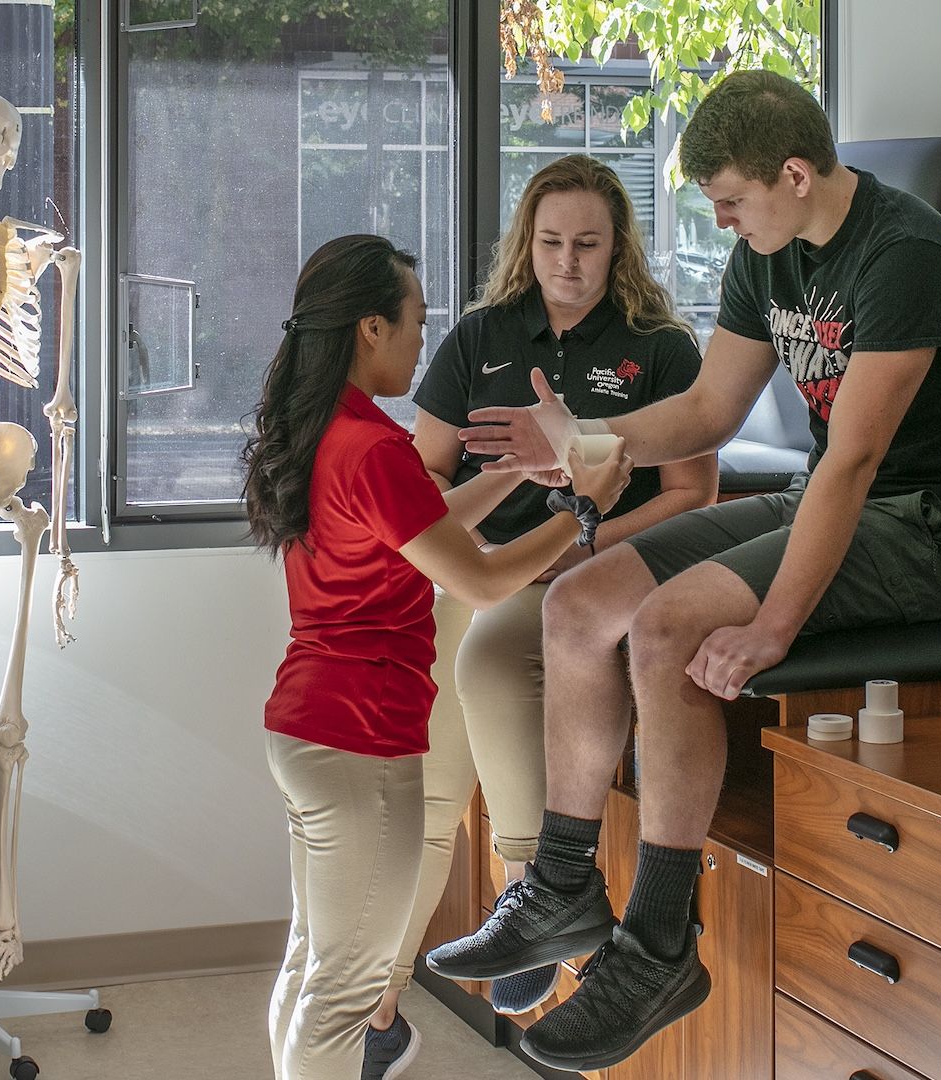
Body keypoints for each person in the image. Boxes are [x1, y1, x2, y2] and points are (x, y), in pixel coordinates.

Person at [427, 69, 941, 1072]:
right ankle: (565, 887)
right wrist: (580, 438)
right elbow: (705, 414)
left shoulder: (906, 256)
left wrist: (772, 626)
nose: (722, 221)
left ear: (794, 174)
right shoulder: (771, 252)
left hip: (930, 526)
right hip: (832, 500)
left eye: (732, 201)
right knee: (581, 602)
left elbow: (856, 462)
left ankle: (659, 947)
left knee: (667, 629)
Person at [241, 233, 632, 1080]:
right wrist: (586, 512)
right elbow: (482, 582)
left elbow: (423, 524)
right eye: (416, 321)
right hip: (358, 741)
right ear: (370, 328)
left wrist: (528, 475)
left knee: (315, 964)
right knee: (345, 990)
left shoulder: (331, 431)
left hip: (305, 729)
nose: (425, 340)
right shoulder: (373, 447)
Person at [362, 154, 716, 1072]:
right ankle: (380, 1009)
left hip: (581, 571)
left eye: (588, 244)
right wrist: (485, 507)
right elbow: (425, 474)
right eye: (552, 242)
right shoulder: (481, 337)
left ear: (617, 249)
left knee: (487, 663)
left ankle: (538, 894)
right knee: (424, 791)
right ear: (528, 243)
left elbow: (693, 493)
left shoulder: (661, 347)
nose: (568, 261)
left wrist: (587, 543)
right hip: (473, 571)